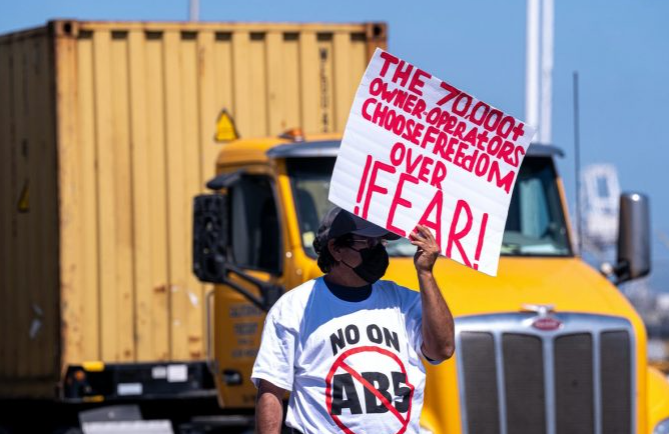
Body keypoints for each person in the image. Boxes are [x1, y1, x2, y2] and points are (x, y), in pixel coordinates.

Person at [251, 206, 455, 434]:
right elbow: (271, 389)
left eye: (381, 244)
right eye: (367, 243)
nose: (376, 251)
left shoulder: (404, 301)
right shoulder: (295, 307)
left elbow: (442, 350)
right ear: (336, 249)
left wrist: (426, 273)